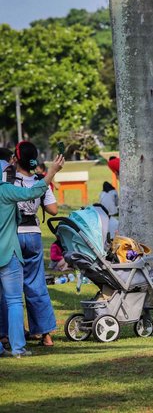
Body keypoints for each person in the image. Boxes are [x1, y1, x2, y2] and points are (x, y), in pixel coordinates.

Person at [0, 155, 64, 358]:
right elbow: (35, 192)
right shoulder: (6, 191)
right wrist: (51, 172)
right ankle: (19, 347)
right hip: (9, 251)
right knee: (14, 301)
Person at [13, 141, 58, 347]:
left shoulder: (8, 180)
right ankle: (45, 334)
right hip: (34, 236)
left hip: (12, 235)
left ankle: (7, 334)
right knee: (36, 284)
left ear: (16, 159)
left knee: (9, 287)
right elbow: (53, 210)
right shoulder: (41, 181)